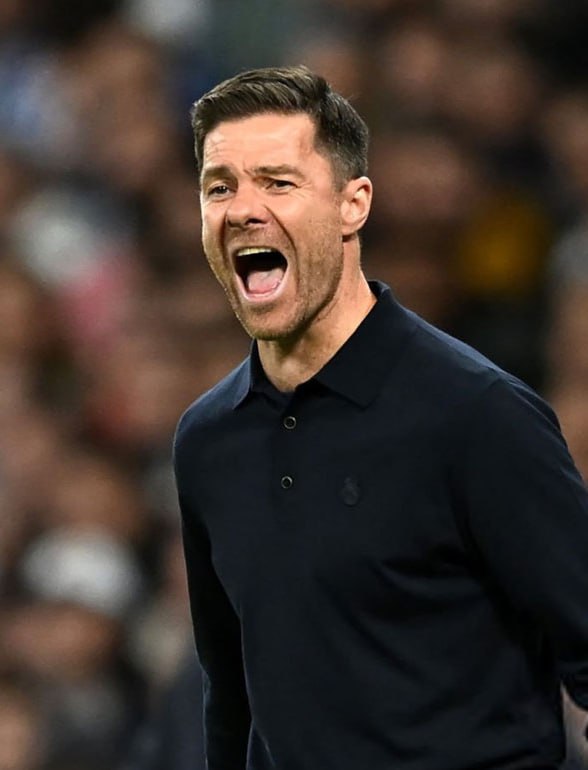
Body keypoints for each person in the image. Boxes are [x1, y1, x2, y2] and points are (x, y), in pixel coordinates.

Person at [173, 65, 588, 770]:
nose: (243, 209)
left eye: (278, 182)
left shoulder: (476, 414)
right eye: (220, 187)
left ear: (353, 205)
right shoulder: (208, 441)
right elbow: (230, 700)